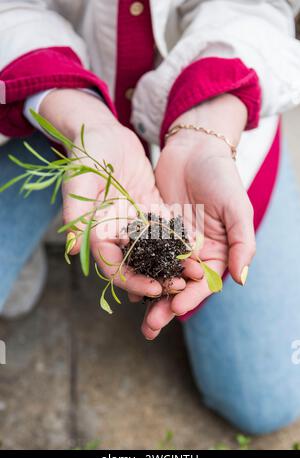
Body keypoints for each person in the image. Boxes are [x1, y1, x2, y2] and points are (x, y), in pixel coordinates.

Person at [0, 0, 300, 434]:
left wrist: (209, 119)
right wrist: (78, 113)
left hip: (216, 126)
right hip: (51, 108)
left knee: (266, 402)